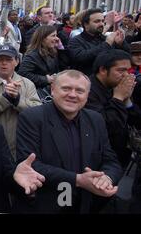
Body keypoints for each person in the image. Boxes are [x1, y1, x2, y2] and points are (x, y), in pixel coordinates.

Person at [16, 70, 123, 213]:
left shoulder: (96, 119)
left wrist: (106, 179)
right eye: (66, 88)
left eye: (80, 90)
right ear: (53, 89)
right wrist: (78, 180)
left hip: (88, 204)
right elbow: (29, 164)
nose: (72, 95)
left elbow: (110, 160)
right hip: (47, 203)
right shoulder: (31, 118)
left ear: (87, 95)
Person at [0, 44, 41, 158]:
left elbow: (38, 113)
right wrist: (4, 98)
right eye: (0, 59)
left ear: (16, 61)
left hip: (22, 146)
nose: (4, 63)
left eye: (9, 59)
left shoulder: (27, 84)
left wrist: (17, 100)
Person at [86, 50, 137, 168]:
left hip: (120, 154)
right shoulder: (87, 90)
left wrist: (127, 100)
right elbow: (107, 126)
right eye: (120, 70)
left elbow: (135, 119)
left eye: (128, 70)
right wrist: (118, 98)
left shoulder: (117, 86)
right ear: (103, 70)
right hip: (99, 159)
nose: (126, 75)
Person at [68, 9, 130, 76]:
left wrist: (120, 44)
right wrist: (106, 44)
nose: (101, 24)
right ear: (86, 24)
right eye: (97, 21)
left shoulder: (105, 38)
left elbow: (126, 56)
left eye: (102, 21)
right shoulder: (76, 41)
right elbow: (82, 58)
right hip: (86, 81)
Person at [18, 25, 68, 101]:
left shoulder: (52, 51)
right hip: (38, 94)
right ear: (43, 38)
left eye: (56, 35)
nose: (56, 38)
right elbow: (23, 73)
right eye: (53, 36)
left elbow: (63, 66)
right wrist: (46, 79)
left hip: (50, 90)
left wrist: (61, 49)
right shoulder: (32, 55)